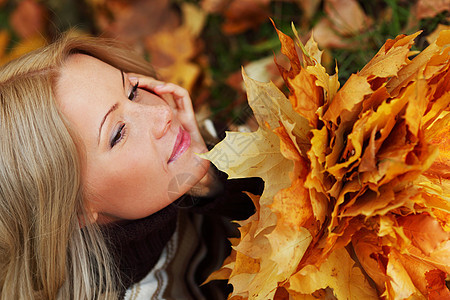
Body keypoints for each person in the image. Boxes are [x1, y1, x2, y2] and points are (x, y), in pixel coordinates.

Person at [0, 33, 262, 299]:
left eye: (133, 92)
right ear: (75, 210)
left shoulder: (178, 162)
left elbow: (282, 200)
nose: (163, 114)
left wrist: (210, 178)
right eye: (118, 134)